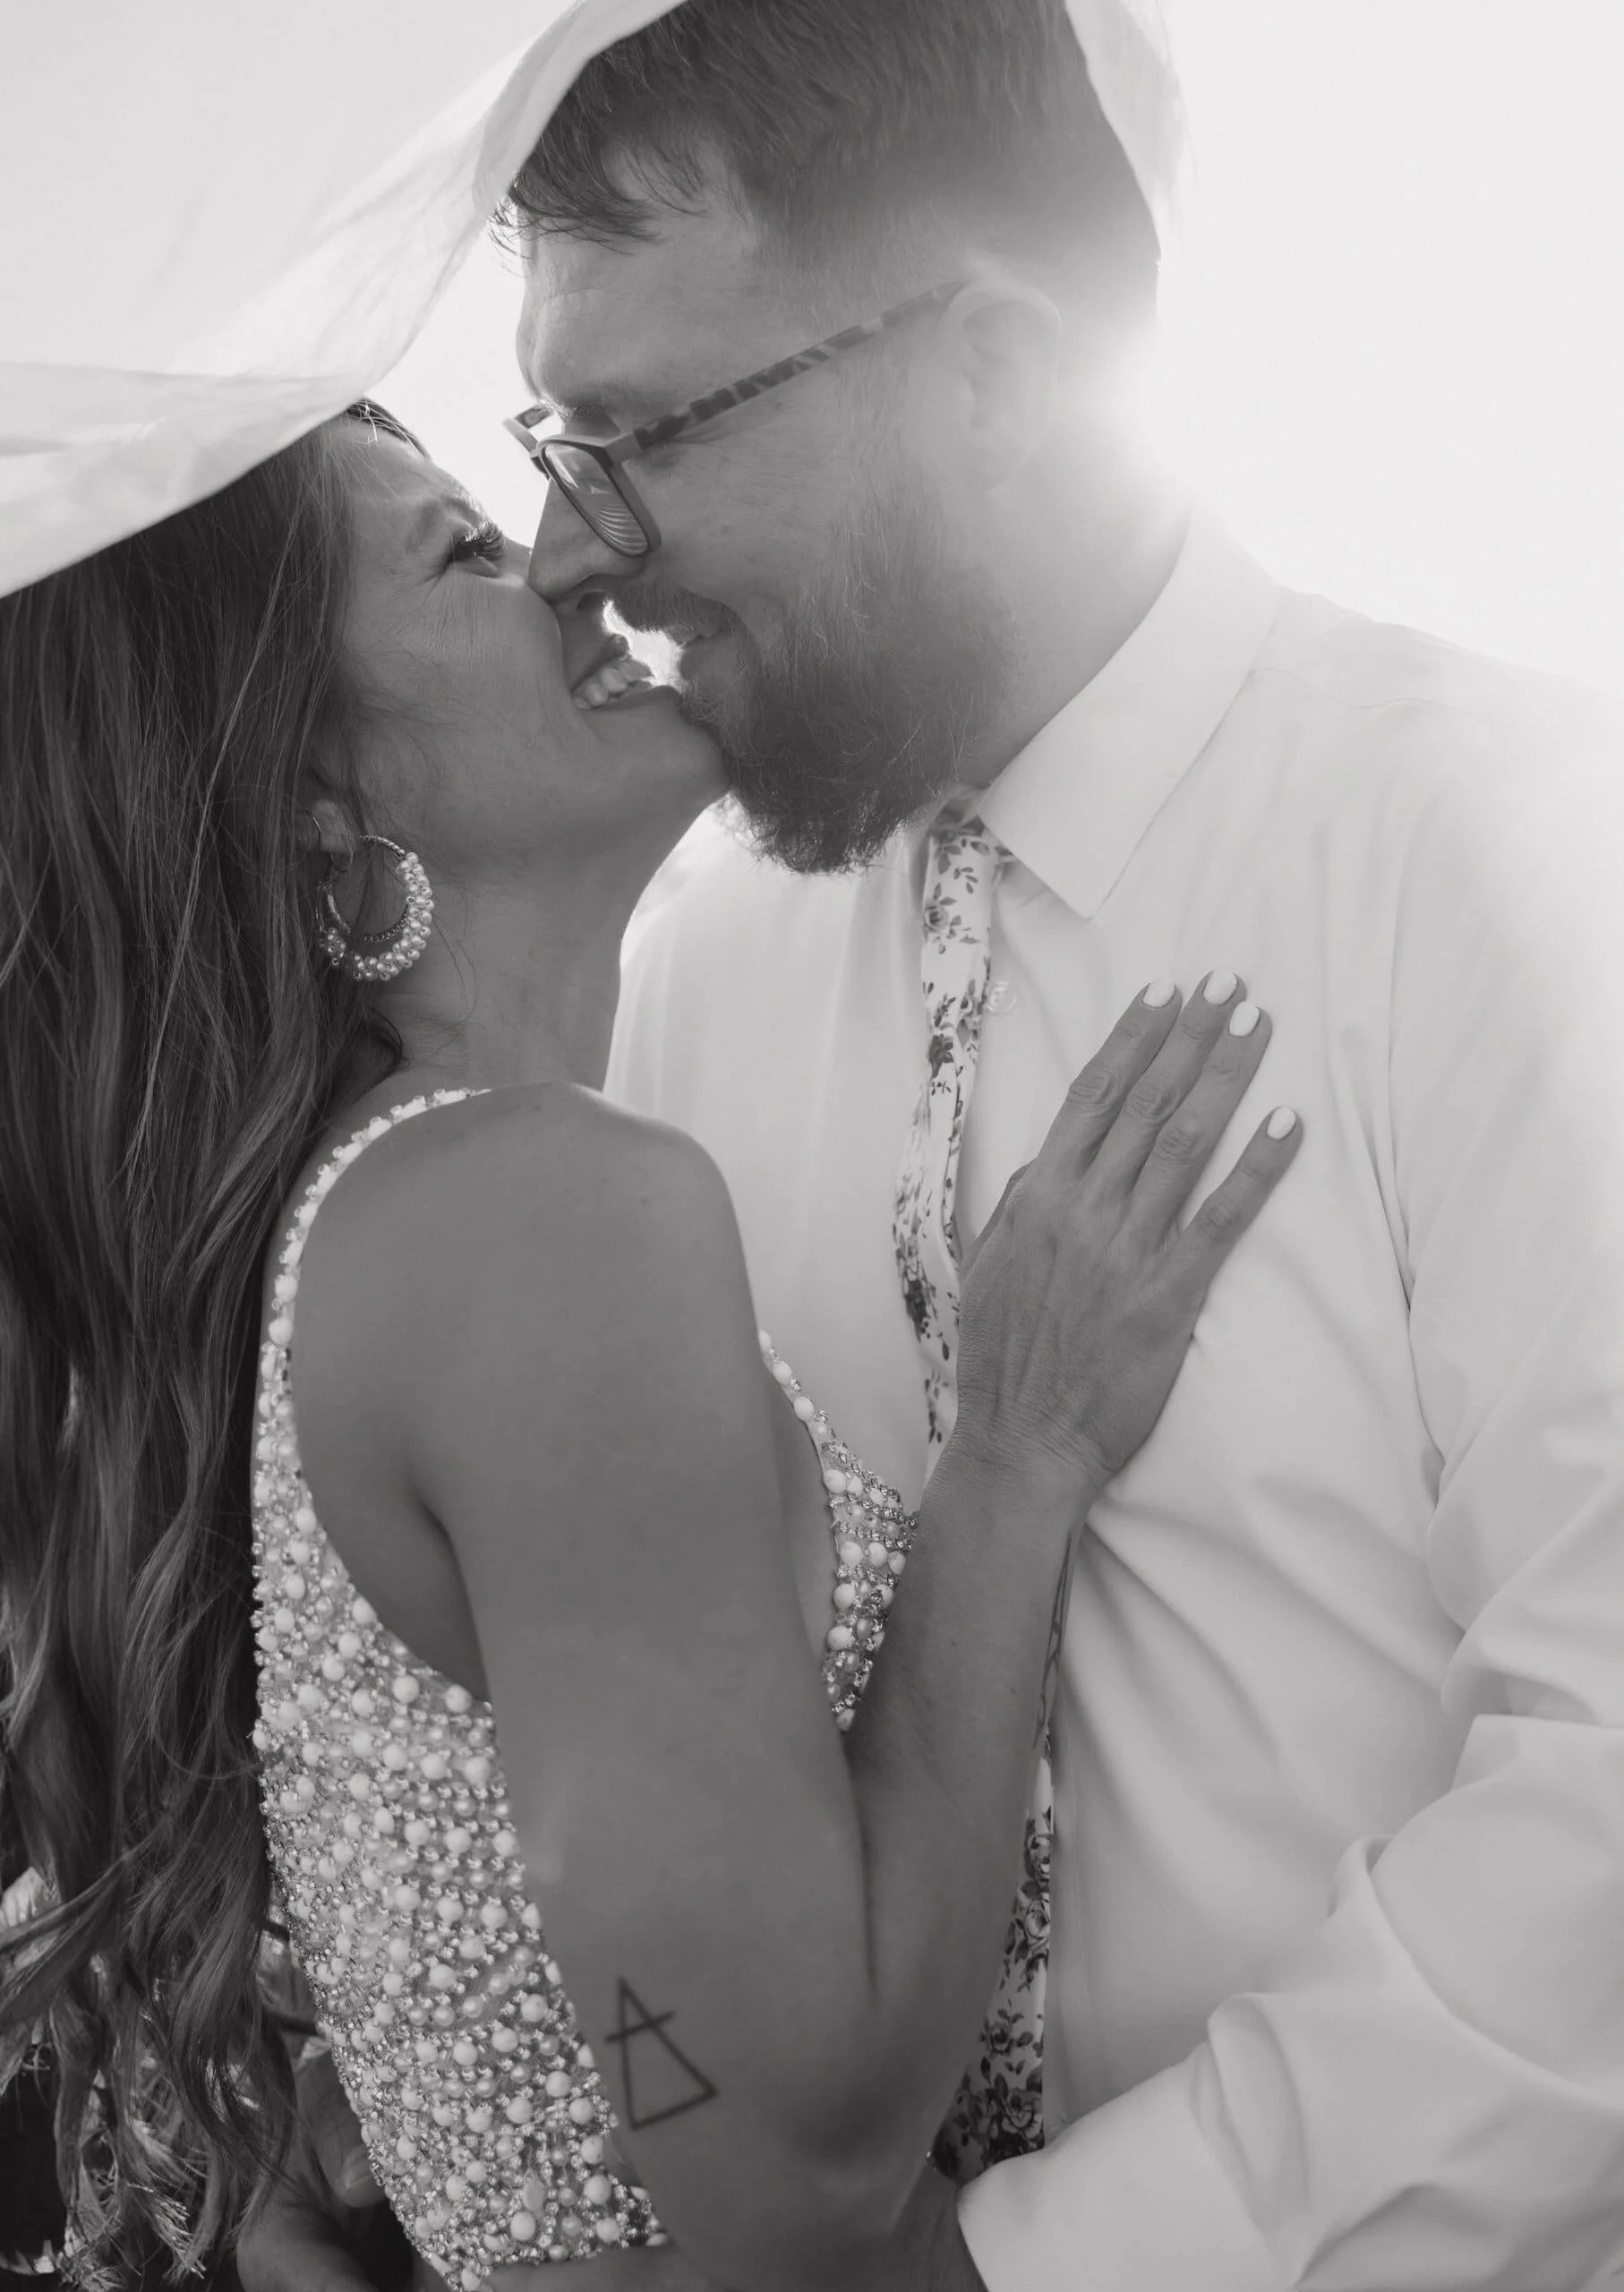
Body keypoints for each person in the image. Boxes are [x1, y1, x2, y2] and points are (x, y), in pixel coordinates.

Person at [252, 2, 1624, 2288]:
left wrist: (1035, 2267)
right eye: (547, 441)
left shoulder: (1498, 843)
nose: (580, 547)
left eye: (641, 429)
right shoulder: (684, 976)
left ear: (991, 366)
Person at [0, 387, 1298, 2292]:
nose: (564, 558)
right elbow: (795, 2182)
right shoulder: (525, 1217)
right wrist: (1009, 1467)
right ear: (314, 796)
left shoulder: (370, 1237)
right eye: (459, 547)